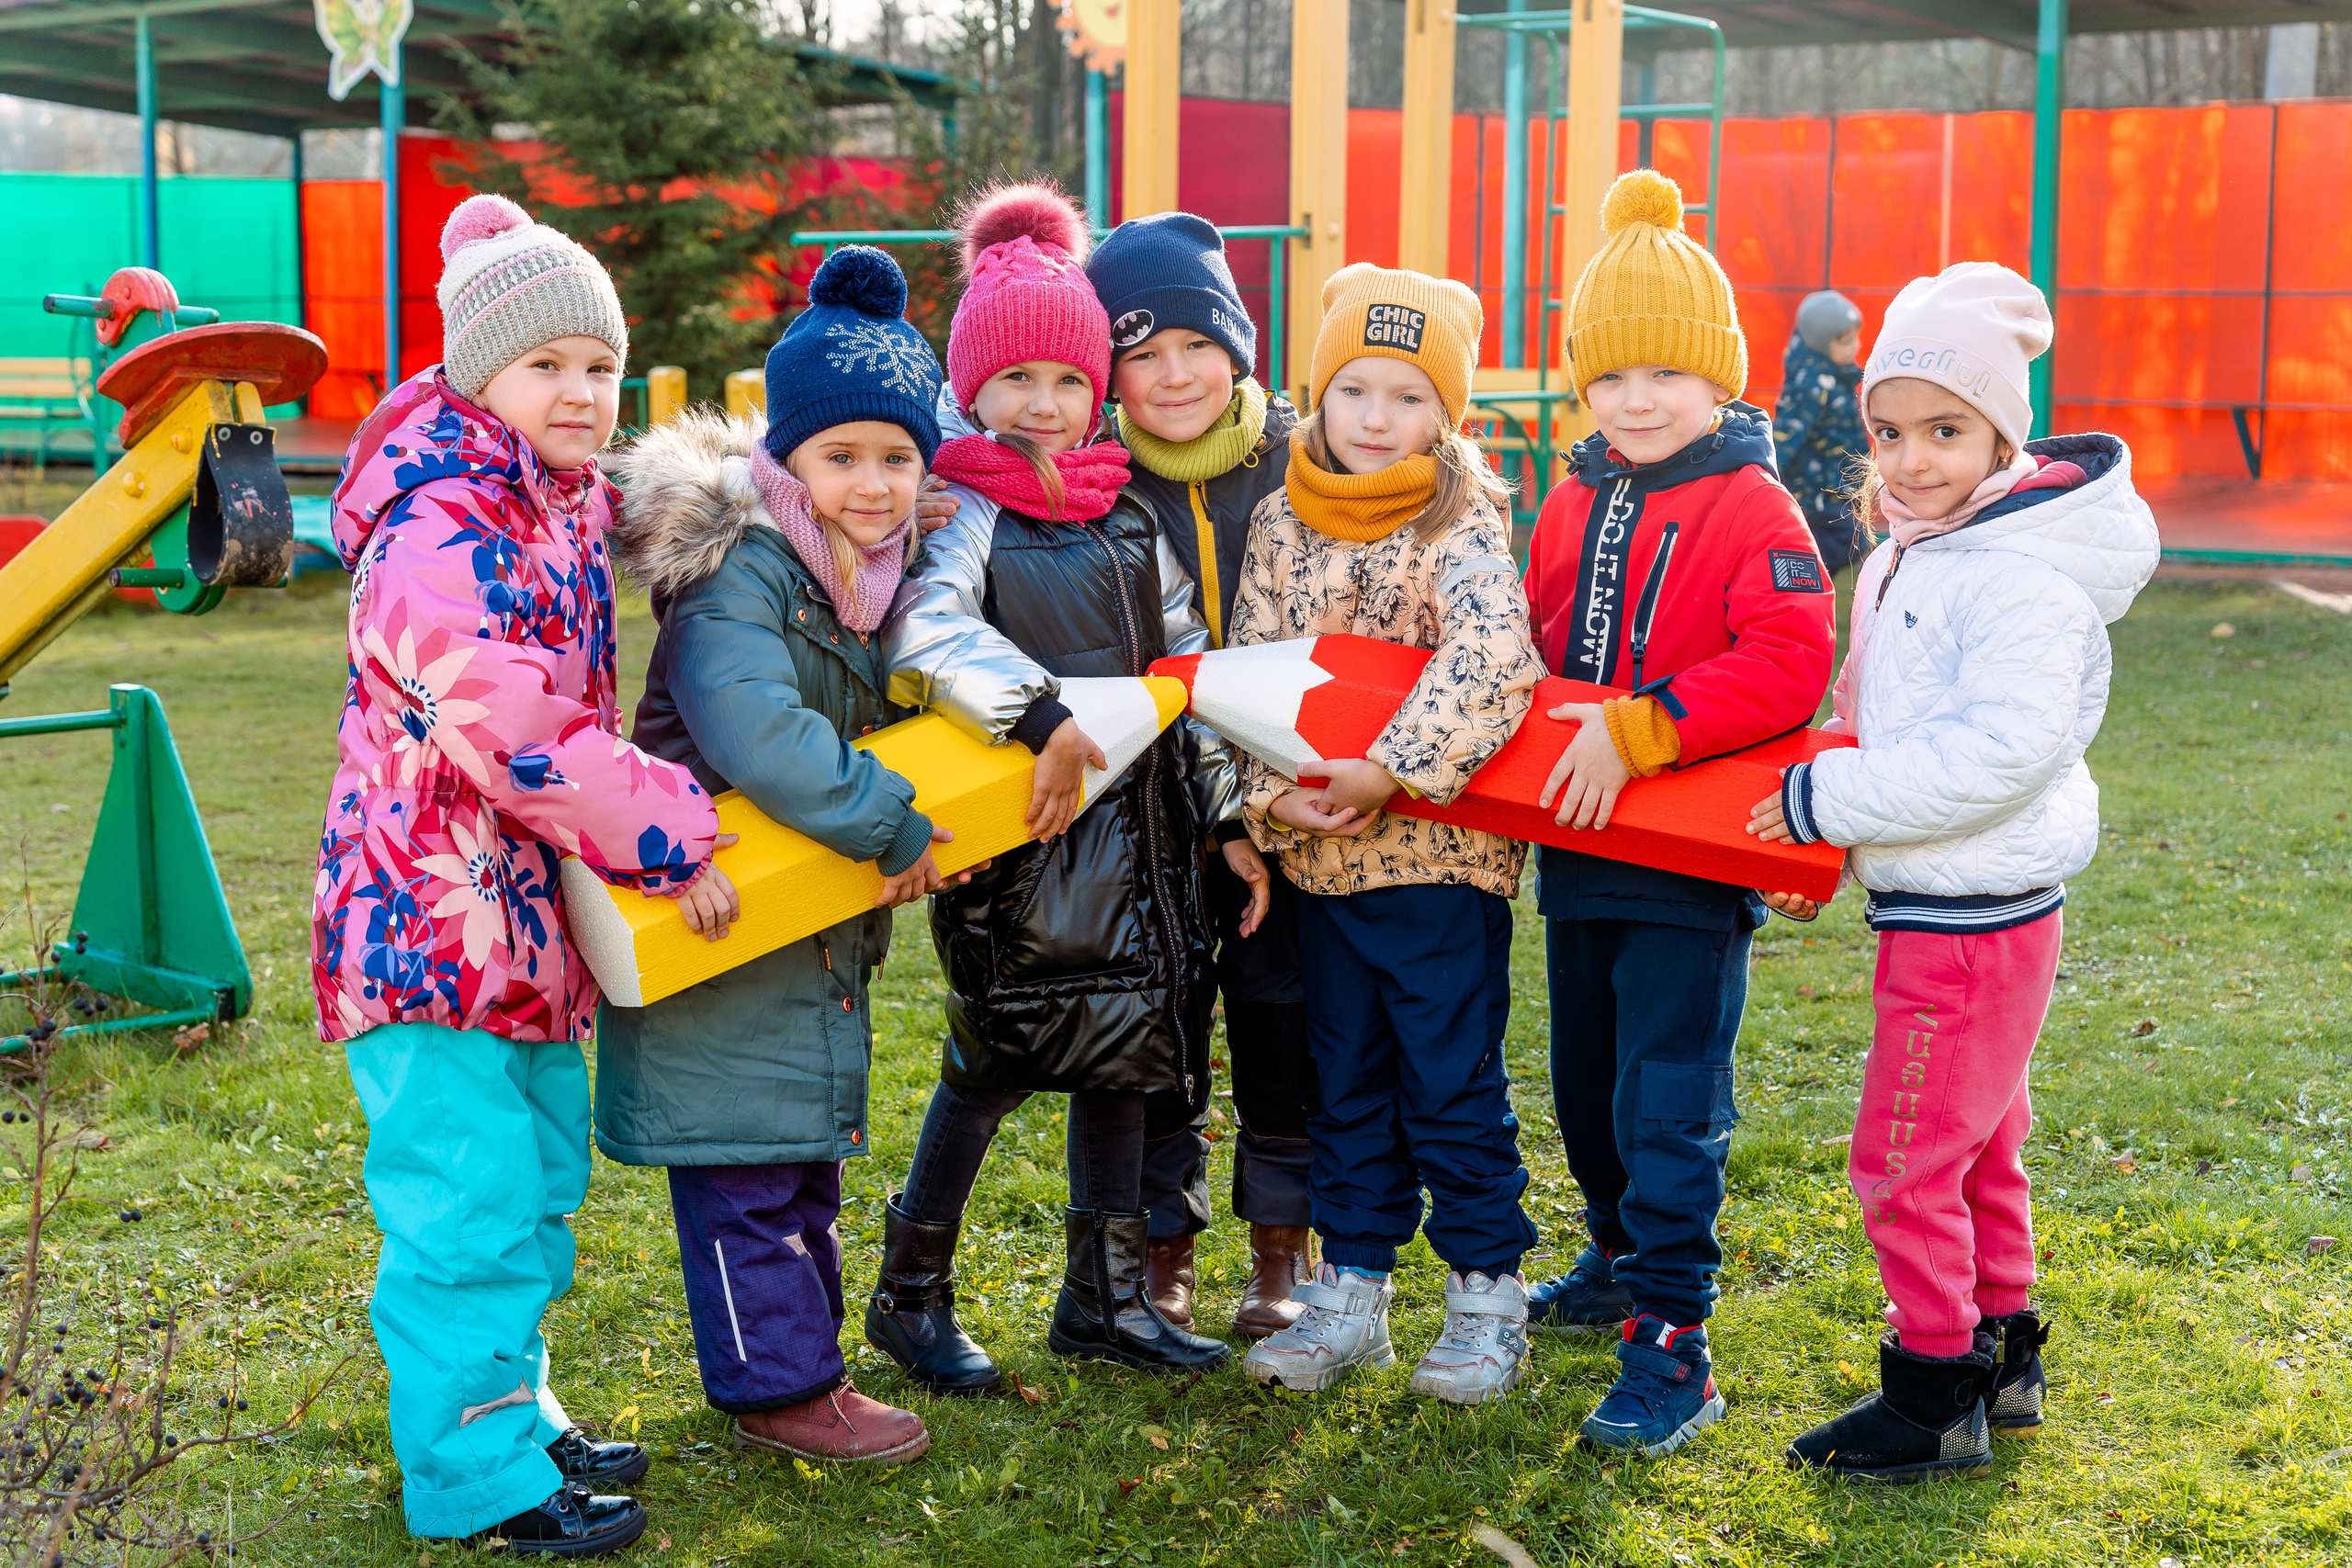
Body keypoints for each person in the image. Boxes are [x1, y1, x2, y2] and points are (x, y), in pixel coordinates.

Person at [312, 193, 728, 1557]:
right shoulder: (443, 518)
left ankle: (512, 1413)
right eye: (546, 362)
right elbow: (502, 717)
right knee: (465, 1210)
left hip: (512, 926)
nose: (581, 389)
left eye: (599, 364)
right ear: (476, 369)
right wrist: (666, 818)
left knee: (531, 1191)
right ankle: (475, 1478)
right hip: (425, 927)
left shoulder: (549, 502)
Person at [1751, 262, 2157, 1481]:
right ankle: (2004, 1348)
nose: (1910, 457)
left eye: (1945, 429)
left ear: (2000, 436)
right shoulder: (1921, 550)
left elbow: (1999, 751)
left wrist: (1826, 799)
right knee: (1977, 1143)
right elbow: (1882, 712)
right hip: (1958, 903)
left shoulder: (2015, 577)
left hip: (1971, 921)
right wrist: (1824, 778)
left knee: (1904, 1158)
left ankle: (1933, 1388)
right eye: (1889, 430)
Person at [596, 246, 975, 1469]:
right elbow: (764, 733)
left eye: (898, 456)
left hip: (793, 927)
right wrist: (898, 820)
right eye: (842, 455)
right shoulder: (743, 579)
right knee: (743, 1168)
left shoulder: (858, 581)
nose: (873, 483)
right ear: (786, 463)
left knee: (796, 1157)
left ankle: (805, 1367)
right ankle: (779, 1387)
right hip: (710, 917)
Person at [865, 181, 1236, 1389]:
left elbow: (1189, 672)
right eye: (1018, 379)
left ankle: (1108, 1296)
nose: (1045, 402)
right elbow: (928, 632)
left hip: (1142, 842)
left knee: (1125, 1055)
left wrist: (1227, 818)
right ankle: (911, 1287)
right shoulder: (964, 509)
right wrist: (1042, 713)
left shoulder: (1125, 509)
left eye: (1068, 380)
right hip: (1024, 835)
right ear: (974, 388)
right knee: (992, 1059)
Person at [1519, 170, 1836, 1456]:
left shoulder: (1756, 504)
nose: (1636, 401)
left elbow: (1789, 655)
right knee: (1587, 1091)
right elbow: (1535, 640)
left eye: (1665, 375)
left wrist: (1644, 723)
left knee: (1667, 1102)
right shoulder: (1571, 494)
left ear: (1720, 379)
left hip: (1692, 871)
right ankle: (1612, 1259)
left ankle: (1676, 1337)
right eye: (1609, 378)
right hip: (1578, 855)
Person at [1232, 261, 1546, 1407]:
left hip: (1434, 868)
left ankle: (1484, 1297)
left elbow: (1492, 658)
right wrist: (1268, 798)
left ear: (1446, 413)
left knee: (1449, 1082)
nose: (1378, 418)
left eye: (1409, 396)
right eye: (1356, 389)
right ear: (1319, 396)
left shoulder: (1461, 517)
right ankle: (1352, 1289)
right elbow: (1246, 670)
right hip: (1321, 868)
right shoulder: (1278, 521)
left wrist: (1390, 769)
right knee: (1346, 1084)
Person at [1083, 211, 1312, 1339]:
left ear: (1238, 350)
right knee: (1158, 1025)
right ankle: (1160, 1240)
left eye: (1195, 347)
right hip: (1152, 800)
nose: (1172, 376)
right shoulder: (1091, 481)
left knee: (1280, 1019)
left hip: (1286, 795)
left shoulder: (1307, 459)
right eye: (1139, 354)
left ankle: (1283, 1242)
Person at [1772, 289, 1870, 575]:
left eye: (1854, 337)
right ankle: (1800, 582)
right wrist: (1770, 475)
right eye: (1845, 341)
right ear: (1821, 343)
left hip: (1838, 488)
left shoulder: (1835, 376)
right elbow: (1786, 437)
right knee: (1842, 543)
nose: (1855, 346)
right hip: (1819, 492)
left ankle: (1807, 581)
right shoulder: (1813, 386)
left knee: (1851, 541)